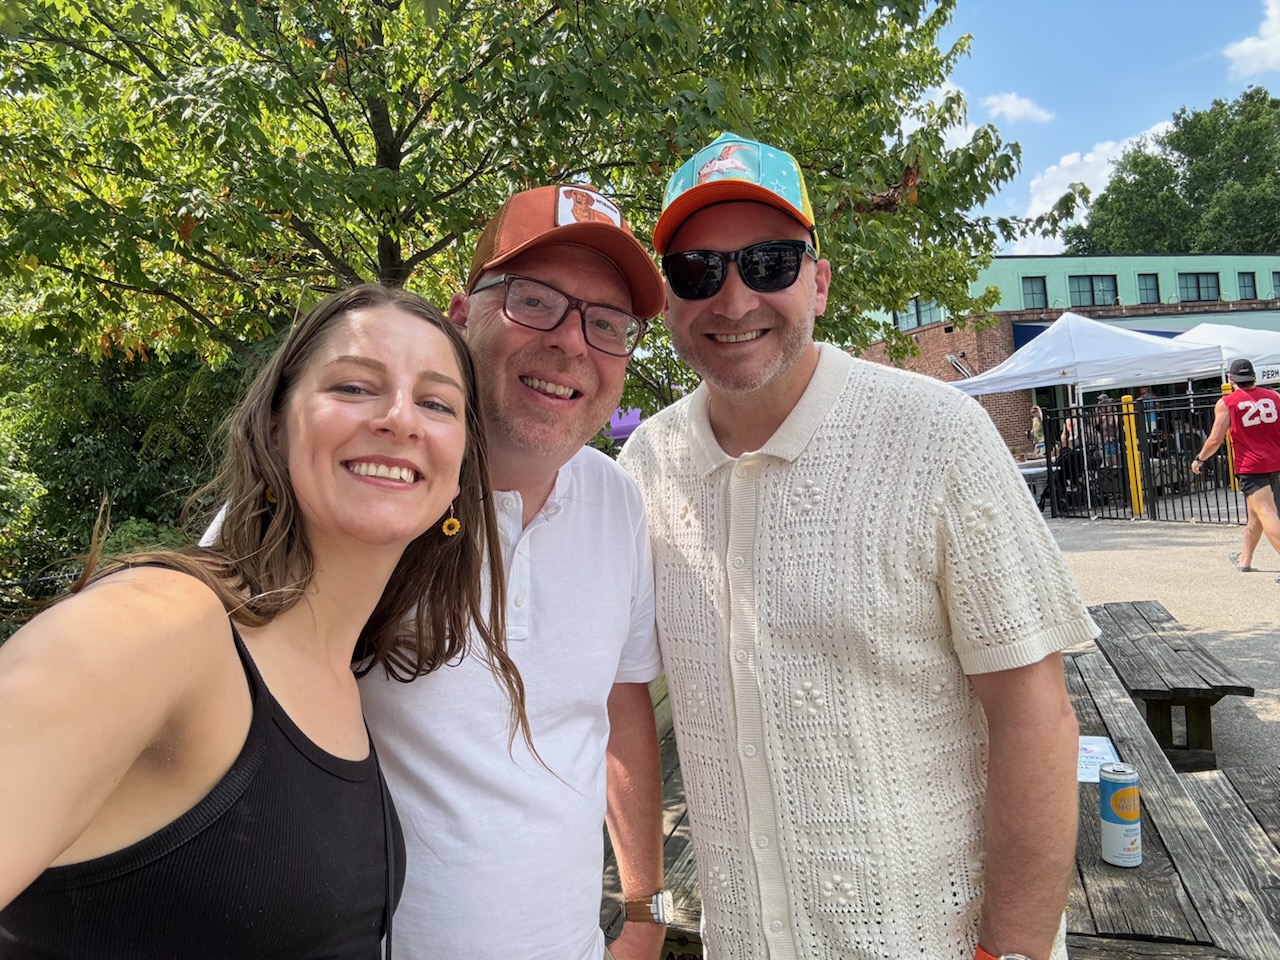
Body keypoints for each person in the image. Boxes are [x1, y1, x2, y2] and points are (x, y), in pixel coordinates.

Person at [619, 133, 1097, 960]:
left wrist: (1010, 950)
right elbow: (613, 697)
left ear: (820, 281)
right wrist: (642, 909)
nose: (733, 299)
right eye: (697, 271)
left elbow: (1037, 720)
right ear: (668, 300)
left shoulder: (939, 435)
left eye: (769, 263)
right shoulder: (645, 465)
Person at [0, 284, 525, 958]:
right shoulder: (159, 624)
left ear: (459, 474)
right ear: (276, 429)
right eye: (354, 387)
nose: (400, 419)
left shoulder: (344, 674)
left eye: (437, 403)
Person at [358, 184, 669, 960]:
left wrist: (646, 914)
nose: (571, 343)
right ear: (462, 315)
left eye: (607, 323)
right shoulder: (362, 485)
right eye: (534, 299)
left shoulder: (618, 503)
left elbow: (620, 705)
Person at [1192, 358, 1280, 578]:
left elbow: (1215, 440)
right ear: (1254, 377)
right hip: (1276, 461)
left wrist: (1199, 459)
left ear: (1231, 379)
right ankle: (1245, 559)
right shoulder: (1274, 397)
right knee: (1256, 516)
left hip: (1252, 465)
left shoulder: (1228, 403)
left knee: (1266, 513)